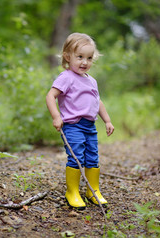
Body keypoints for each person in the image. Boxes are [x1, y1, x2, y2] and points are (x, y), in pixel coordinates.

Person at [46, 33, 114, 210]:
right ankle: (72, 192)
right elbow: (51, 96)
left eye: (89, 58)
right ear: (68, 57)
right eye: (80, 57)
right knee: (76, 157)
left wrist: (107, 120)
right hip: (72, 126)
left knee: (92, 157)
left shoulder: (91, 81)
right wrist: (56, 116)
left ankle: (93, 190)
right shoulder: (66, 77)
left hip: (89, 126)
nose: (85, 62)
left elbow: (97, 102)